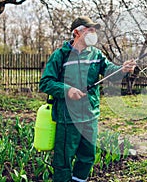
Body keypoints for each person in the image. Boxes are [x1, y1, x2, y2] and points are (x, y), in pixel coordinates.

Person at [39, 16, 136, 182]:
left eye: (94, 30)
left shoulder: (96, 54)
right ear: (77, 32)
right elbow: (45, 83)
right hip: (67, 117)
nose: (94, 33)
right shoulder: (60, 55)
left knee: (87, 156)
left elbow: (110, 72)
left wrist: (123, 69)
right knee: (63, 160)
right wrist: (67, 90)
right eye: (89, 30)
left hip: (90, 115)